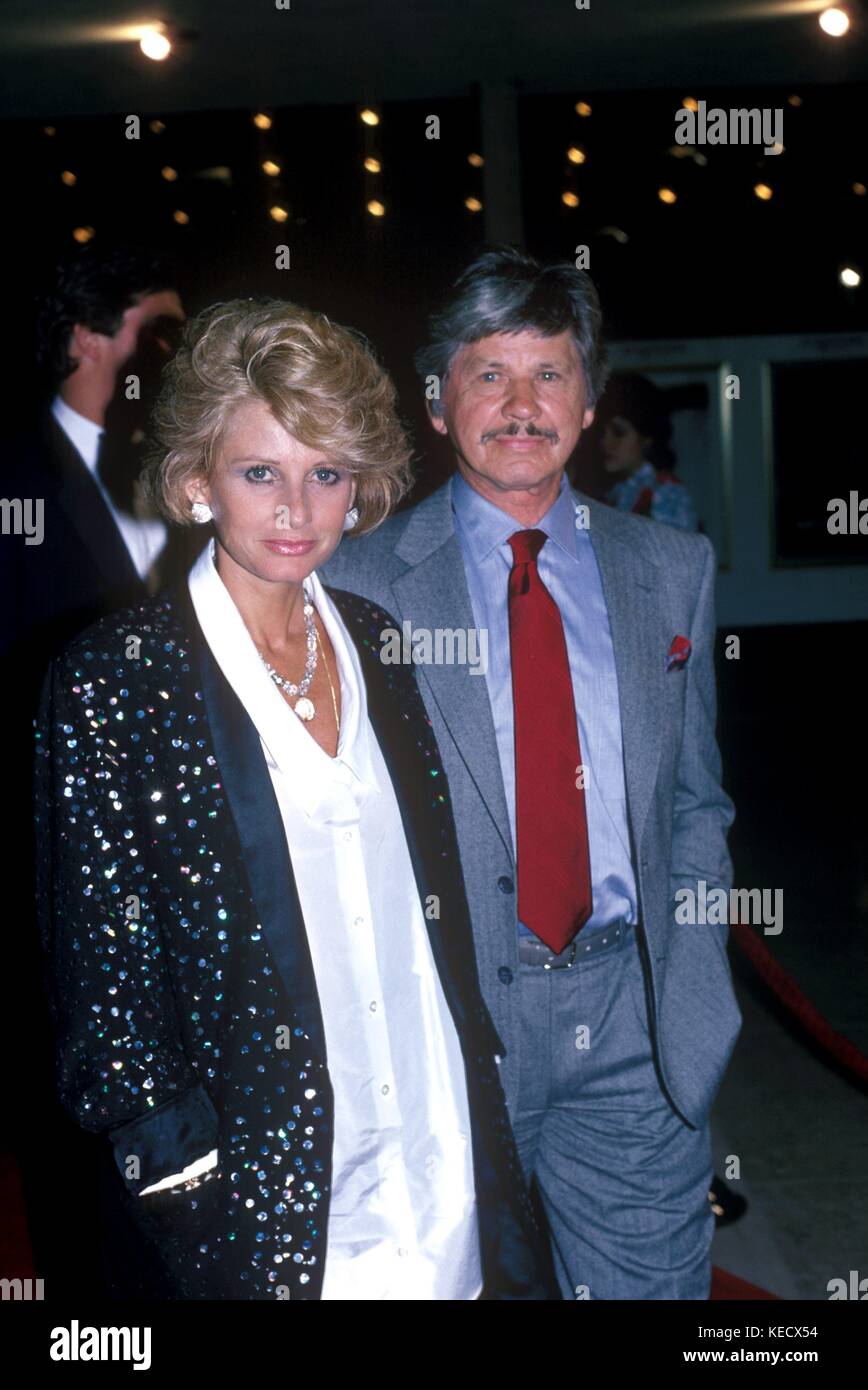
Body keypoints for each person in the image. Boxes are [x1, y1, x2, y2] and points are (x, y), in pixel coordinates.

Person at [33, 297, 557, 1301]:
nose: (296, 509)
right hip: (260, 1189)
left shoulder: (378, 645)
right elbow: (100, 977)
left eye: (326, 474)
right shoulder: (117, 679)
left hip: (432, 1136)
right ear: (195, 479)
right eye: (259, 471)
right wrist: (187, 1175)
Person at [321, 246, 743, 1299]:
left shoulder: (669, 569)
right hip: (443, 1028)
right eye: (488, 373)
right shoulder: (354, 581)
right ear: (435, 401)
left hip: (630, 1026)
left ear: (589, 397)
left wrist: (688, 993)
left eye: (549, 373)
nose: (521, 403)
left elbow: (696, 797)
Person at [1, 243, 191, 1294]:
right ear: (85, 339)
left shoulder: (200, 471)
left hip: (191, 872)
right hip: (57, 875)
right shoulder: (13, 482)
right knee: (74, 1128)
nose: (177, 353)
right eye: (155, 331)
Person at [600, 372, 699, 530]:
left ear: (646, 438)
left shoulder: (666, 494)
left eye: (619, 433)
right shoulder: (611, 491)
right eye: (601, 433)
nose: (606, 443)